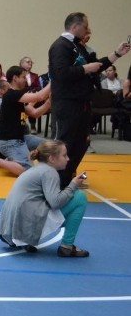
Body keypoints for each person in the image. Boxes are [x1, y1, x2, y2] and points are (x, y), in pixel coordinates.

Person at [47, 12, 128, 187]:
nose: (88, 30)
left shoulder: (78, 46)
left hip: (82, 103)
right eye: (85, 27)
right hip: (67, 103)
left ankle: (67, 178)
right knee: (62, 144)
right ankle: (54, 182)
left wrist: (116, 54)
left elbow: (96, 66)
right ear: (74, 27)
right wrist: (85, 69)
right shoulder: (60, 46)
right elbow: (61, 73)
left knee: (82, 143)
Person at [0, 140, 90, 257]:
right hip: (24, 227)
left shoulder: (35, 169)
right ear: (51, 159)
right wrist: (73, 184)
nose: (68, 159)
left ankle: (23, 240)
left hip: (9, 229)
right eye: (64, 155)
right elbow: (55, 202)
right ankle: (67, 246)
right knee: (80, 197)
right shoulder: (49, 172)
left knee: (67, 199)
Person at [0, 66, 52, 172]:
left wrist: (49, 102)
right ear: (15, 78)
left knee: (49, 147)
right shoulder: (11, 95)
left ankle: (12, 159)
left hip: (20, 139)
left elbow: (35, 114)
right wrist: (54, 80)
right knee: (27, 170)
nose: (25, 80)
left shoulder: (17, 98)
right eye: (23, 77)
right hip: (9, 142)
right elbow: (39, 97)